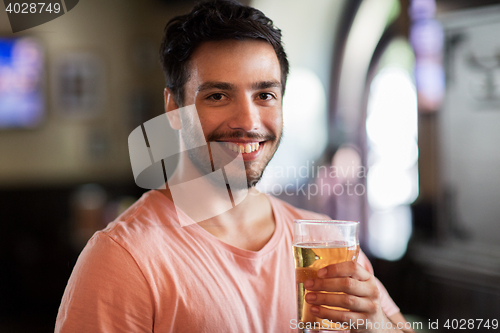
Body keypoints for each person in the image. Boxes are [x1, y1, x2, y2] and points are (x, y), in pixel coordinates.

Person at [55, 1, 413, 332]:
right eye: (217, 96)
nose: (247, 120)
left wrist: (375, 323)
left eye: (265, 95)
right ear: (173, 109)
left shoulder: (324, 242)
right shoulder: (121, 259)